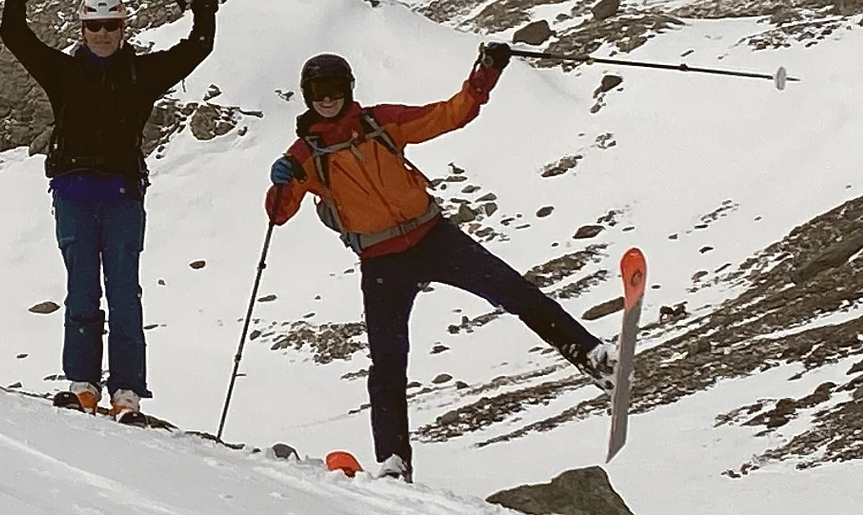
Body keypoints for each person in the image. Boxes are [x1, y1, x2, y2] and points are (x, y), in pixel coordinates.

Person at [263, 45, 616, 481]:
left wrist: (484, 75)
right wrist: (281, 180)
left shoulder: (379, 122)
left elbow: (451, 114)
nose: (328, 97)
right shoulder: (304, 156)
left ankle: (592, 356)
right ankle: (393, 462)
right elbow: (279, 214)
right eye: (319, 90)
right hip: (381, 261)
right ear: (307, 96)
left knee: (517, 293)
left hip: (433, 236)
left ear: (348, 89)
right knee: (388, 364)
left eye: (335, 87)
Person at [0, 0, 217, 422]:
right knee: (81, 290)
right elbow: (15, 36)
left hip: (121, 196)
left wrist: (202, 2)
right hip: (74, 194)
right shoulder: (63, 72)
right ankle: (83, 385)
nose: (102, 33)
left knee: (122, 292)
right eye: (94, 25)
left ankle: (127, 392)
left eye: (110, 25)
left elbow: (199, 47)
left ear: (123, 27)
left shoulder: (142, 72)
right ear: (82, 27)